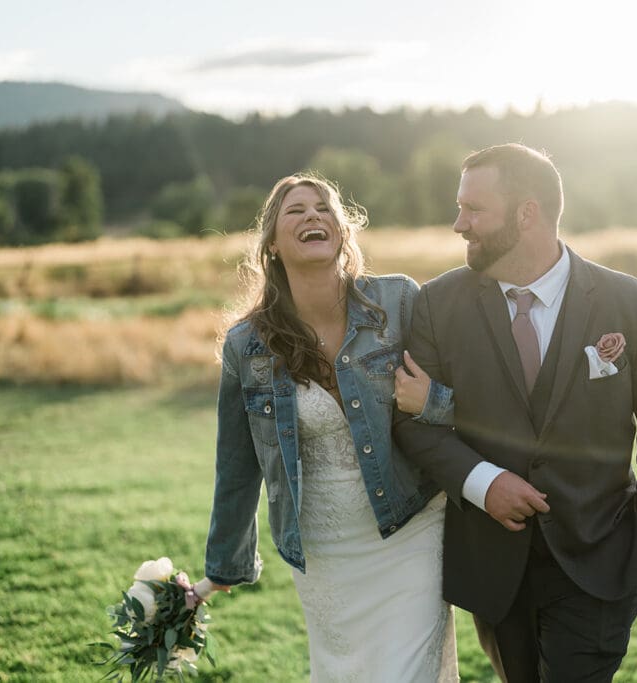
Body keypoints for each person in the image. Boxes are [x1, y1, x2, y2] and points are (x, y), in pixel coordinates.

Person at [392, 143, 637, 682]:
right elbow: (414, 422)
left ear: (527, 213)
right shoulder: (438, 305)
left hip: (601, 557)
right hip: (493, 567)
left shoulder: (630, 303)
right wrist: (485, 484)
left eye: (474, 209)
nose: (459, 224)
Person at [202, 172, 459, 682]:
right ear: (272, 244)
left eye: (323, 208)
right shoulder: (246, 345)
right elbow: (237, 463)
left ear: (343, 232)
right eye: (294, 211)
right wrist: (223, 567)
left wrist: (435, 404)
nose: (312, 216)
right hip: (324, 549)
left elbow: (459, 397)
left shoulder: (398, 302)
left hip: (413, 527)